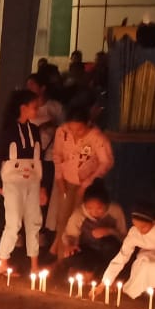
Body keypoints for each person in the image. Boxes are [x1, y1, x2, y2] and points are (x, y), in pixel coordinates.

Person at [46, 105, 114, 253]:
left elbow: (106, 162)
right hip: (66, 180)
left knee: (76, 219)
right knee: (62, 216)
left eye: (80, 130)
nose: (75, 133)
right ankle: (60, 253)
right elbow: (57, 155)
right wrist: (59, 177)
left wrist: (87, 183)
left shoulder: (97, 138)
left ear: (88, 123)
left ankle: (72, 254)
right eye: (72, 129)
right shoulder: (62, 132)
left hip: (87, 184)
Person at [0, 90, 45, 275]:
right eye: (34, 107)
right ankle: (3, 261)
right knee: (14, 222)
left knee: (34, 221)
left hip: (33, 180)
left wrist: (43, 186)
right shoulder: (8, 131)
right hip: (12, 181)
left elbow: (40, 158)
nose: (37, 110)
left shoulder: (35, 131)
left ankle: (34, 265)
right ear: (23, 108)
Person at [101, 206, 155, 299]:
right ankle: (148, 293)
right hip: (150, 253)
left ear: (153, 222)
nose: (139, 230)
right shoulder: (134, 233)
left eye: (143, 227)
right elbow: (122, 256)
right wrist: (104, 282)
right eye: (136, 226)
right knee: (145, 264)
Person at [59, 180, 127, 280]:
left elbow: (124, 237)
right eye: (89, 208)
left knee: (109, 245)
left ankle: (106, 276)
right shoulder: (79, 214)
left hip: (108, 252)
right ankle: (87, 273)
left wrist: (109, 231)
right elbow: (70, 235)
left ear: (107, 204)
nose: (94, 212)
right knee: (71, 258)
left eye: (99, 208)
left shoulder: (115, 211)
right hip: (87, 251)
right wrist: (69, 245)